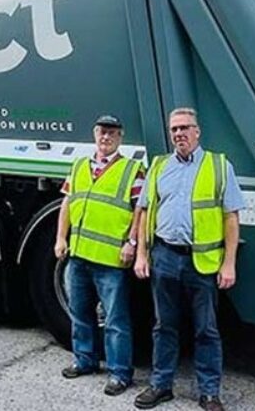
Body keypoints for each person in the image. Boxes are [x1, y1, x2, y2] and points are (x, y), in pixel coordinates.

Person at [133, 108, 244, 411]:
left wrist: (229, 263)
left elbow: (231, 218)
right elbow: (143, 212)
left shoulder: (219, 166)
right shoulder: (158, 166)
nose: (179, 134)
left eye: (185, 128)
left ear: (198, 132)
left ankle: (209, 393)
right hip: (164, 257)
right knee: (163, 326)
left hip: (203, 262)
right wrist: (142, 253)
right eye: (174, 129)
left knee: (205, 329)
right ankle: (161, 385)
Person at [55, 114, 145, 396]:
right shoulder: (80, 165)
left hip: (110, 261)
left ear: (120, 138)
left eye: (112, 133)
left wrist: (132, 242)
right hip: (79, 255)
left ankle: (120, 374)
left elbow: (140, 211)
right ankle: (85, 361)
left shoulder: (133, 170)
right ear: (94, 134)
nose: (106, 137)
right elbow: (67, 203)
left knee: (116, 320)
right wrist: (60, 238)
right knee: (80, 313)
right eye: (102, 132)